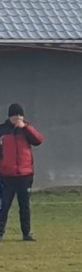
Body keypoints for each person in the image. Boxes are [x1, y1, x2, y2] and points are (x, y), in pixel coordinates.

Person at [0, 103, 44, 242]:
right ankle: (0, 232)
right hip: (7, 175)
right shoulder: (2, 130)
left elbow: (38, 140)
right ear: (10, 116)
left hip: (25, 175)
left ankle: (26, 233)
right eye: (15, 115)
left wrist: (25, 127)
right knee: (4, 205)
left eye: (20, 115)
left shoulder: (26, 129)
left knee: (24, 205)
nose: (18, 118)